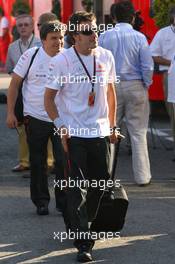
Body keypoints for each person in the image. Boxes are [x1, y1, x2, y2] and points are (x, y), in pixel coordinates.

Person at [44, 11, 118, 262]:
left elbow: (110, 93)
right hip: (73, 134)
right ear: (75, 36)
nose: (94, 35)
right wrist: (61, 126)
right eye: (87, 32)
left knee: (100, 185)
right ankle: (83, 242)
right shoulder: (62, 61)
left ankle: (79, 221)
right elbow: (48, 99)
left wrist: (112, 126)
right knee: (77, 188)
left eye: (95, 30)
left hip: (98, 132)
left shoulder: (106, 56)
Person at [6, 21, 65, 215]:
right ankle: (41, 201)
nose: (59, 42)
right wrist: (11, 113)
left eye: (61, 38)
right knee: (38, 162)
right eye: (54, 38)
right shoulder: (30, 56)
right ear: (43, 40)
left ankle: (63, 201)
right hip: (35, 117)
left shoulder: (68, 58)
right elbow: (14, 85)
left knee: (63, 162)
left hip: (62, 119)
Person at [99, 1, 153, 186]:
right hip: (135, 84)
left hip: (111, 86)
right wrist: (146, 83)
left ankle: (106, 177)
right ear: (133, 17)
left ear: (113, 17)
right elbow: (147, 65)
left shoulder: (104, 36)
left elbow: (99, 62)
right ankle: (142, 177)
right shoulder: (139, 37)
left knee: (110, 131)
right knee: (138, 132)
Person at [6, 14, 55, 173]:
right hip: (22, 89)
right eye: (20, 25)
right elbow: (10, 70)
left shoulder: (42, 42)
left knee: (46, 126)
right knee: (21, 127)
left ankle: (48, 162)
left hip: (46, 93)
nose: (23, 28)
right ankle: (24, 161)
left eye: (26, 25)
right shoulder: (13, 47)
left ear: (33, 26)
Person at [150, 5, 175, 160]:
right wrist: (172, 62)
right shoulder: (163, 33)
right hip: (169, 75)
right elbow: (153, 54)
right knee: (173, 113)